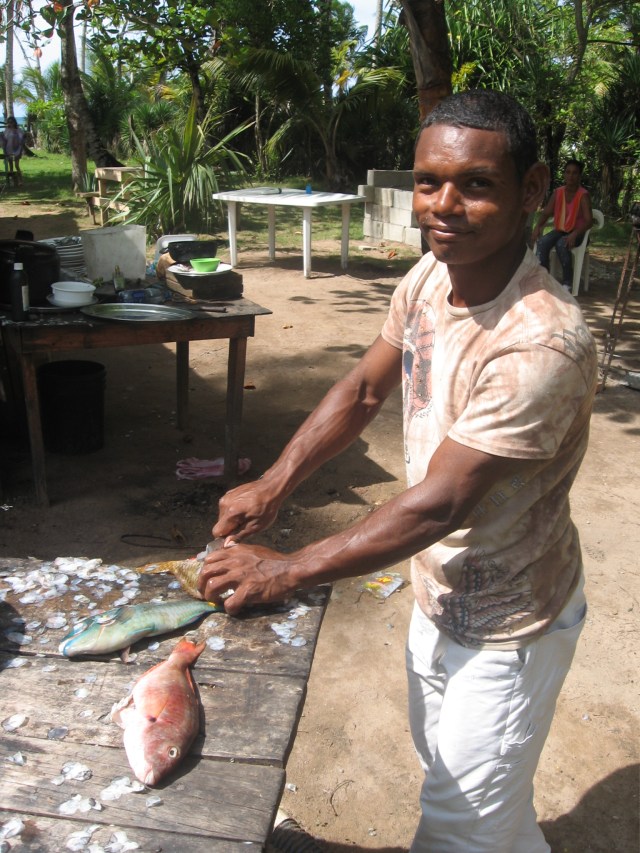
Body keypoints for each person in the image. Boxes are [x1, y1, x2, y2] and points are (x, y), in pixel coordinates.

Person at [198, 90, 597, 852]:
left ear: (534, 190)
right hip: (436, 597)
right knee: (470, 799)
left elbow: (439, 503)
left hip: (512, 624)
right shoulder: (426, 279)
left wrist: (287, 571)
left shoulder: (542, 343)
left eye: (475, 184)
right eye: (427, 181)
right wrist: (274, 484)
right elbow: (364, 388)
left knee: (456, 831)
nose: (442, 205)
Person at [531, 159, 593, 290]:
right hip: (561, 229)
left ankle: (567, 283)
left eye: (575, 173)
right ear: (564, 174)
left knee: (561, 244)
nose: (571, 176)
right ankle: (544, 279)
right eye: (568, 172)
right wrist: (537, 227)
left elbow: (589, 221)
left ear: (579, 176)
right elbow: (546, 212)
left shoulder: (583, 195)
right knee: (542, 242)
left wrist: (575, 234)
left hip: (578, 233)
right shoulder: (558, 192)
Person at [2, 117, 26, 187]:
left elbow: (22, 139)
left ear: (14, 122)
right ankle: (13, 182)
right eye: (9, 122)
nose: (10, 124)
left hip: (17, 149)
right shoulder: (7, 130)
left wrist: (22, 147)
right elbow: (4, 140)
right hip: (9, 149)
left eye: (11, 122)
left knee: (17, 165)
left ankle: (21, 181)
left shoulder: (18, 130)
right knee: (11, 167)